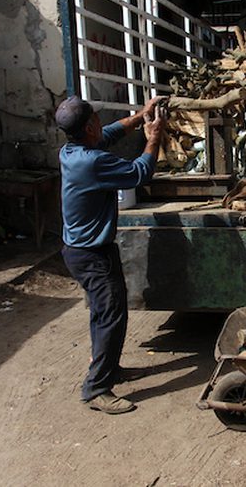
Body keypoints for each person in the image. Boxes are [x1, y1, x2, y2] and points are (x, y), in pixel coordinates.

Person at [55, 94, 167, 414]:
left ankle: (110, 368)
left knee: (105, 315)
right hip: (91, 255)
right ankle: (96, 388)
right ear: (90, 126)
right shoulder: (92, 162)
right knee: (110, 317)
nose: (101, 125)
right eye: (96, 119)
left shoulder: (73, 151)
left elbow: (111, 133)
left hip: (86, 250)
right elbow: (139, 173)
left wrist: (140, 115)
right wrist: (153, 137)